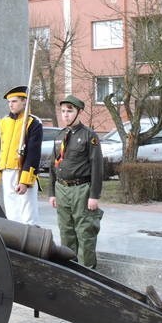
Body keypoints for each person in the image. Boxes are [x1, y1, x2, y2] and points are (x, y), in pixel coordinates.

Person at [48, 95, 104, 268]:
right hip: (62, 189)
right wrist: (51, 192)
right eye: (63, 111)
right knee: (66, 232)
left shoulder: (89, 136)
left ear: (78, 112)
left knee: (85, 232)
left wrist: (94, 195)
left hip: (81, 189)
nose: (65, 115)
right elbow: (52, 166)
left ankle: (88, 272)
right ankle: (70, 271)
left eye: (69, 111)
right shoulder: (60, 135)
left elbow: (97, 166)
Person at [0, 86, 42, 224]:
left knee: (28, 214)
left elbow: (33, 154)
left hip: (23, 172)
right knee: (12, 214)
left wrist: (24, 181)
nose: (10, 104)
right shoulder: (3, 122)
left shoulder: (33, 122)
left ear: (24, 101)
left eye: (14, 101)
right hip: (7, 172)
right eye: (9, 102)